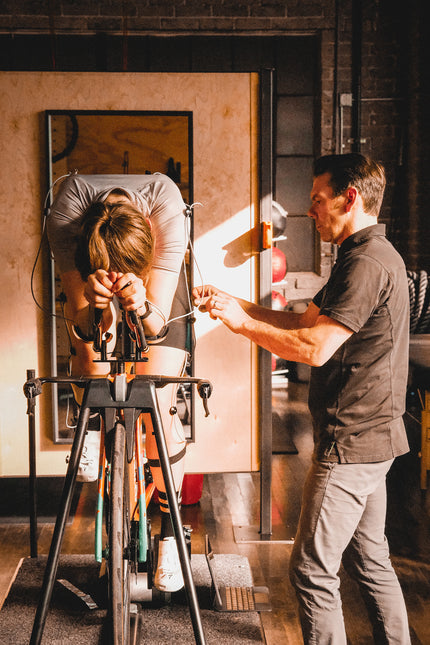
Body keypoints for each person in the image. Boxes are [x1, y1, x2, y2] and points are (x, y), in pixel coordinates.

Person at [193, 153, 411, 644]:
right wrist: (237, 306)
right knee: (370, 560)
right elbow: (306, 323)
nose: (309, 211)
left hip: (351, 445)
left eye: (317, 200)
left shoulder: (366, 265)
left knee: (311, 572)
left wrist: (243, 325)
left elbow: (314, 350)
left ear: (348, 197)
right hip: (374, 441)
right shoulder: (366, 256)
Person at [48, 171, 191, 593]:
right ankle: (92, 422)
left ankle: (168, 533)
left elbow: (159, 323)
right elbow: (80, 322)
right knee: (90, 351)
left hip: (158, 292)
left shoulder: (164, 210)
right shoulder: (66, 217)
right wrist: (93, 304)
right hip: (88, 261)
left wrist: (143, 302)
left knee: (157, 405)